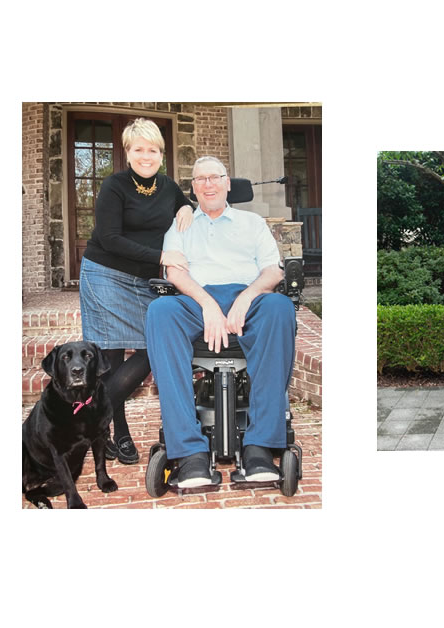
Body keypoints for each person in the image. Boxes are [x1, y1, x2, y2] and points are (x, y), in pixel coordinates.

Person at [144, 156, 296, 488]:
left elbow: (273, 271)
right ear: (194, 188)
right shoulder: (181, 224)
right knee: (160, 312)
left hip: (249, 298)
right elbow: (175, 273)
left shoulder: (252, 223)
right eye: (200, 179)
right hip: (197, 299)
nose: (208, 184)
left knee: (279, 308)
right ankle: (190, 453)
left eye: (215, 177)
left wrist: (247, 296)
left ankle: (259, 447)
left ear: (228, 183)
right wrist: (209, 305)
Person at [79, 118, 192, 464]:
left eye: (153, 150)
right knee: (111, 358)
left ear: (162, 153)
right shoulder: (114, 186)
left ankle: (89, 420)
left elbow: (184, 202)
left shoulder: (168, 187)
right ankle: (120, 433)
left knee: (150, 348)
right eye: (139, 149)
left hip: (144, 282)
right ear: (127, 153)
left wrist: (187, 205)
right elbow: (110, 238)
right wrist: (161, 255)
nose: (147, 156)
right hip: (106, 274)